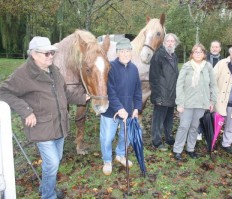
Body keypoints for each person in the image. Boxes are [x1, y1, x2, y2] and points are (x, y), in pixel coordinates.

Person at [0, 36, 89, 199]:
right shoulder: (23, 74)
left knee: (53, 162)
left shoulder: (54, 71)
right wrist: (26, 110)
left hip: (60, 125)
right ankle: (48, 195)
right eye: (46, 53)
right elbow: (3, 92)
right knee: (53, 163)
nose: (50, 56)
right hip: (42, 127)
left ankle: (45, 187)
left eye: (52, 53)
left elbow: (65, 94)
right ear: (34, 54)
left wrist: (83, 98)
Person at [99, 38, 142, 176]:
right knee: (107, 138)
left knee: (126, 136)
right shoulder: (110, 67)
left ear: (131, 52)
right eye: (122, 51)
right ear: (117, 53)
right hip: (111, 111)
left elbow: (137, 91)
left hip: (128, 111)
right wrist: (119, 108)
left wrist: (136, 108)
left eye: (128, 51)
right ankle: (107, 160)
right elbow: (110, 91)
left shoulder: (134, 69)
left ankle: (120, 155)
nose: (125, 54)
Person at [173, 44, 217, 160]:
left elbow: (213, 85)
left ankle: (190, 149)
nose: (198, 54)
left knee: (194, 127)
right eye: (195, 52)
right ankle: (177, 149)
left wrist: (212, 101)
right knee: (184, 126)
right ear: (192, 54)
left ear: (204, 54)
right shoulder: (187, 66)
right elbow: (179, 85)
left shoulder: (208, 67)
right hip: (187, 103)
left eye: (200, 52)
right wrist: (180, 103)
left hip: (202, 103)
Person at [149, 33, 180, 151]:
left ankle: (168, 137)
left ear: (175, 43)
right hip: (161, 94)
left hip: (172, 94)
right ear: (164, 42)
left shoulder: (174, 56)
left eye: (172, 41)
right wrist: (157, 96)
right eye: (168, 41)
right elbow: (154, 77)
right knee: (158, 119)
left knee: (169, 119)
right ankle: (156, 141)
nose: (170, 43)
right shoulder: (158, 56)